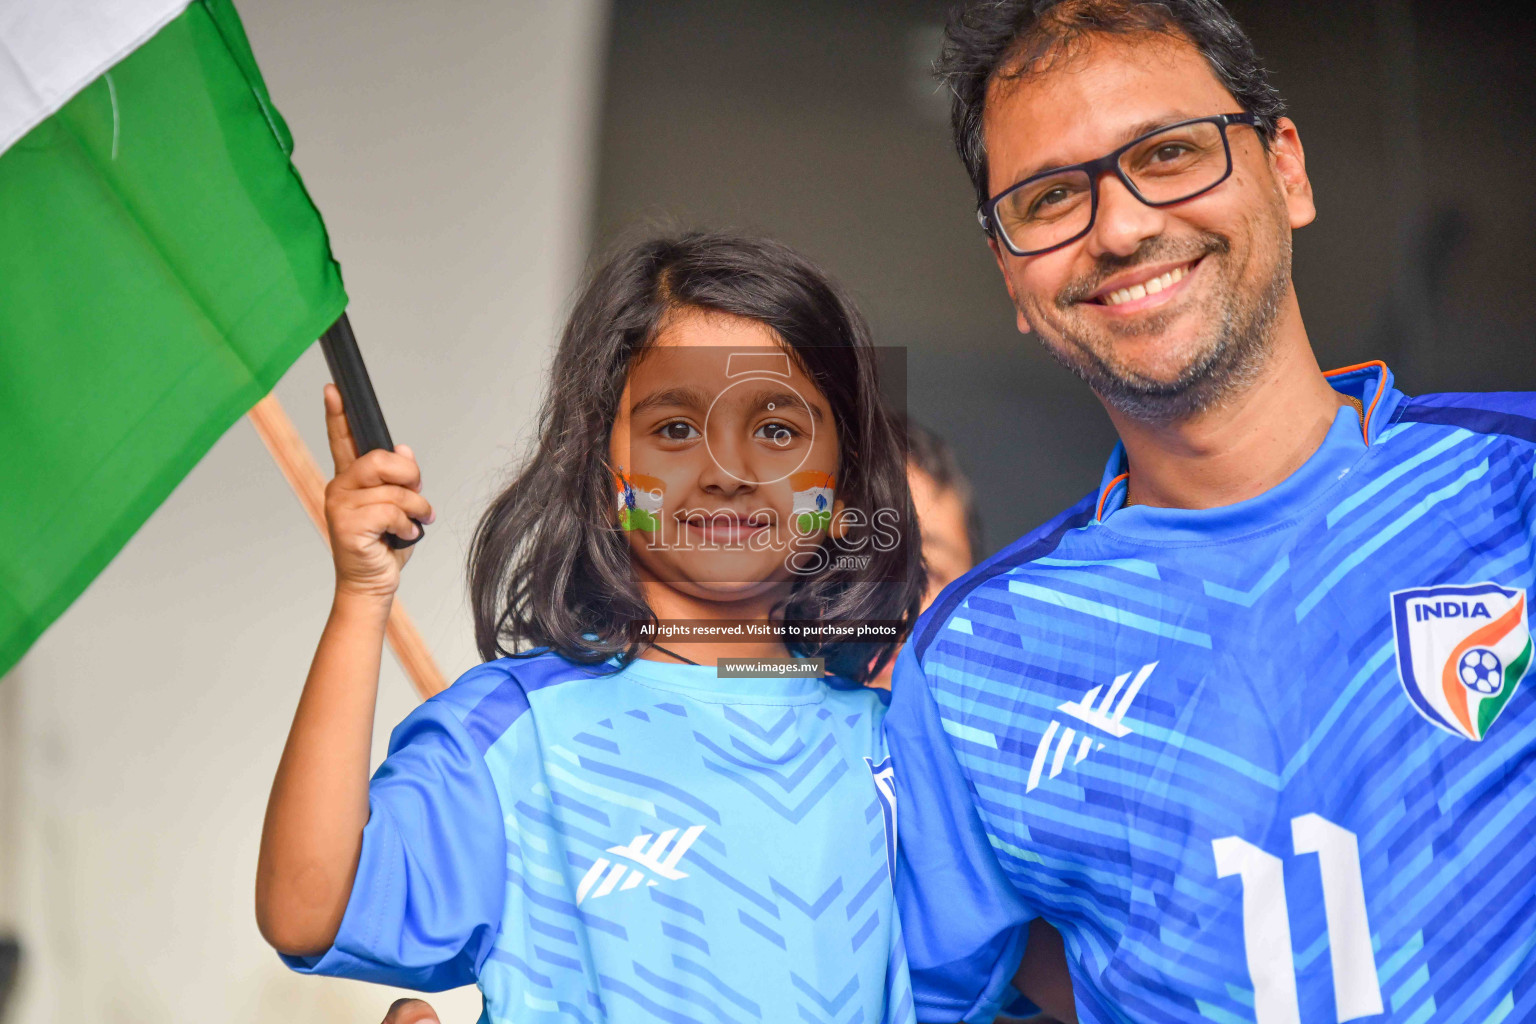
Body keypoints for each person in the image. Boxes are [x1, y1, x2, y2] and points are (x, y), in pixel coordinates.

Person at [886, 2, 1536, 1023]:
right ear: (1010, 273)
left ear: (1287, 170)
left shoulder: (1515, 489)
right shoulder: (977, 665)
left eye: (1172, 151)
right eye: (1052, 197)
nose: (1126, 225)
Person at [256, 232, 925, 1023]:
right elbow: (307, 911)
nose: (727, 469)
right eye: (675, 429)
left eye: (778, 431)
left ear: (845, 492)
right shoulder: (513, 730)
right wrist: (362, 598)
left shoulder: (902, 749)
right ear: (602, 474)